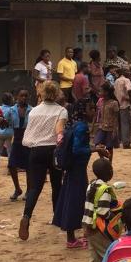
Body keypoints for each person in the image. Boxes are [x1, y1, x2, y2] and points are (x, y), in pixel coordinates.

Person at [19, 81, 69, 241]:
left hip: (35, 150)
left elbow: (30, 133)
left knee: (34, 187)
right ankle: (57, 216)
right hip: (53, 149)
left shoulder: (34, 111)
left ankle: (26, 216)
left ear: (42, 94)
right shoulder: (61, 111)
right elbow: (60, 131)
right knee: (56, 184)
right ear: (56, 94)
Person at [54, 97, 94, 249]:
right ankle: (73, 238)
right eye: (91, 108)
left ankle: (73, 237)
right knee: (75, 200)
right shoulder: (81, 126)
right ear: (84, 111)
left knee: (71, 198)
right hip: (77, 169)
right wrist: (95, 149)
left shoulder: (74, 124)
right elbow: (78, 149)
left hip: (72, 168)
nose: (93, 111)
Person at [83, 157, 121, 262]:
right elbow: (102, 211)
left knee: (95, 258)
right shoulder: (105, 190)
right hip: (98, 229)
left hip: (88, 225)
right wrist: (114, 216)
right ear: (109, 172)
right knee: (108, 256)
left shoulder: (91, 185)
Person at [6, 89, 31, 201]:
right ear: (16, 97)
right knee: (11, 165)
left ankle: (28, 190)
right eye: (21, 96)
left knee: (29, 167)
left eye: (26, 96)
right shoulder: (11, 110)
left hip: (28, 139)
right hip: (16, 139)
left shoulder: (32, 110)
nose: (24, 98)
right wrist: (0, 120)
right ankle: (17, 189)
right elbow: (4, 123)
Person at [95, 82, 120, 149]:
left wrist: (115, 130)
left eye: (101, 91)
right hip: (101, 127)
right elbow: (97, 113)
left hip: (110, 128)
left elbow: (116, 118)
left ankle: (108, 156)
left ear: (106, 92)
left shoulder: (114, 103)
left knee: (109, 147)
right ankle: (103, 156)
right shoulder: (101, 101)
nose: (99, 93)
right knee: (97, 144)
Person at [114, 68, 131, 149]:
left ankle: (117, 142)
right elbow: (129, 90)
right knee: (125, 124)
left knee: (118, 124)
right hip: (125, 104)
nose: (129, 73)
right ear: (124, 72)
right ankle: (126, 143)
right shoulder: (127, 80)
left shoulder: (116, 81)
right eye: (128, 71)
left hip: (117, 104)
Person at [0, 92, 15, 174]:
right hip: (9, 133)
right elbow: (14, 120)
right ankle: (10, 170)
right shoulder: (12, 109)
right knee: (10, 152)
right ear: (10, 100)